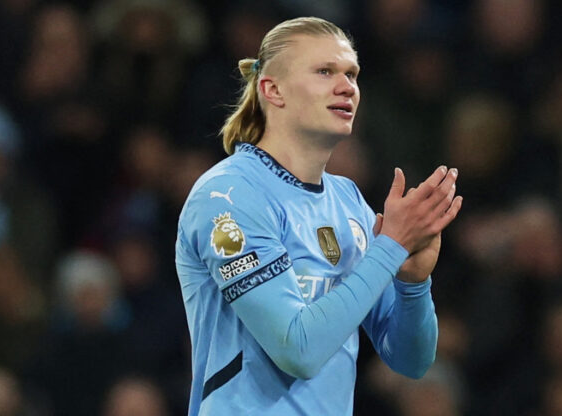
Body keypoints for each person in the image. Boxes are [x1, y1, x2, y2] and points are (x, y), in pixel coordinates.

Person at [174, 17, 462, 415]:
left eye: (352, 74)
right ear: (272, 90)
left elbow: (410, 361)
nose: (346, 86)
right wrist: (391, 245)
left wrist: (413, 282)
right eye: (325, 71)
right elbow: (298, 350)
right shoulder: (228, 196)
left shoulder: (347, 201)